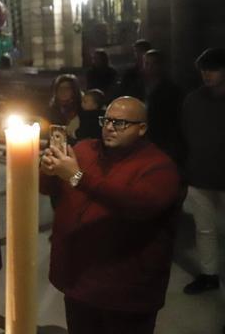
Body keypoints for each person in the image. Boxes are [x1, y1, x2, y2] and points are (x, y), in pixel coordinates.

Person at [40, 97, 182, 334]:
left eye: (120, 123)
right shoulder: (85, 149)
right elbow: (49, 189)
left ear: (142, 128)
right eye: (106, 120)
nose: (109, 127)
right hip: (78, 279)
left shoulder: (159, 166)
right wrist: (48, 170)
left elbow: (137, 204)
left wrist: (77, 177)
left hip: (125, 290)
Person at [181, 47, 225, 295]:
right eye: (204, 70)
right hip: (200, 173)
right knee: (204, 229)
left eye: (213, 69)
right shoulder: (194, 100)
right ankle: (209, 275)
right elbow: (186, 132)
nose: (207, 75)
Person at [142, 50, 184, 162]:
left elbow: (176, 119)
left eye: (153, 63)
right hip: (143, 140)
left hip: (163, 141)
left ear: (160, 65)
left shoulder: (171, 90)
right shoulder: (138, 86)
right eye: (147, 63)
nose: (150, 67)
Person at [46, 74, 82, 140]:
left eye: (67, 88)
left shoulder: (82, 109)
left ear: (74, 91)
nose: (63, 91)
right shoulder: (52, 108)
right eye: (60, 88)